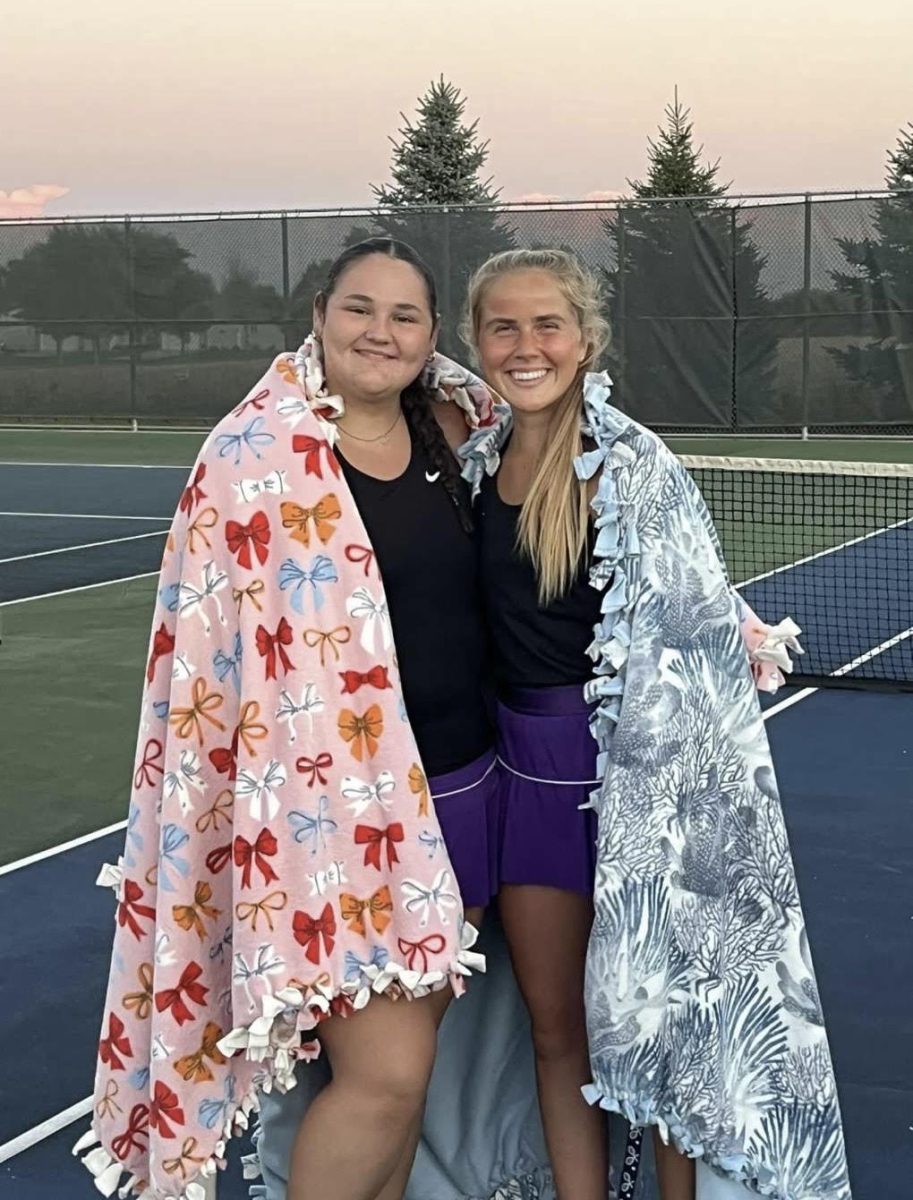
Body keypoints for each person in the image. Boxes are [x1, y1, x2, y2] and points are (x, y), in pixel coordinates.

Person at [75, 239, 513, 1200]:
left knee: (404, 1075)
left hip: (462, 792)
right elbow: (205, 648)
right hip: (334, 819)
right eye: (360, 308)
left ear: (431, 336)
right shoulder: (254, 455)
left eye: (404, 315)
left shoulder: (465, 428)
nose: (380, 332)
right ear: (319, 315)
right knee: (384, 1079)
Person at [463, 248, 852, 1200]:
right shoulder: (470, 466)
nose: (525, 346)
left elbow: (692, 646)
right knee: (559, 1033)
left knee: (664, 1035)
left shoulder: (636, 468)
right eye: (501, 327)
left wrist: (673, 804)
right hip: (523, 787)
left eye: (546, 324)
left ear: (587, 339)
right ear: (473, 343)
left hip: (646, 797)